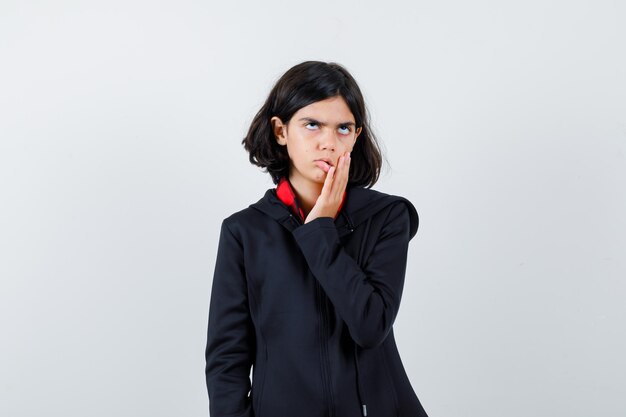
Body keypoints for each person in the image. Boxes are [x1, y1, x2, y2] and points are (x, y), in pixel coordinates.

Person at [205, 61, 429, 417]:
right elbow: (227, 359)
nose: (329, 142)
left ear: (356, 136)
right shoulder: (244, 232)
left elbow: (370, 327)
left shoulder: (387, 217)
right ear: (280, 131)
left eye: (343, 128)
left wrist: (319, 230)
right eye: (312, 125)